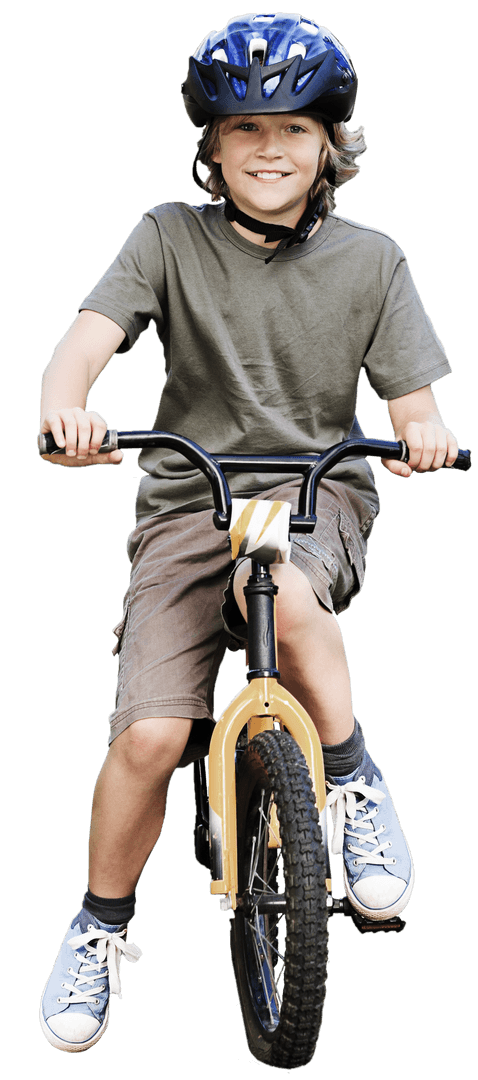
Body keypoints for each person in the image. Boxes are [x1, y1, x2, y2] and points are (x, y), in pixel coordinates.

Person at [39, 12, 459, 1054]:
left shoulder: (374, 259)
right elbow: (79, 349)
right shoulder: (164, 237)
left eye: (295, 129)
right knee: (148, 735)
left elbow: (412, 407)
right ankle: (97, 930)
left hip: (316, 492)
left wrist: (425, 439)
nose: (269, 148)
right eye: (245, 129)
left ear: (331, 147)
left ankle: (353, 778)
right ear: (211, 147)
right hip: (190, 494)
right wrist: (66, 412)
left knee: (279, 580)